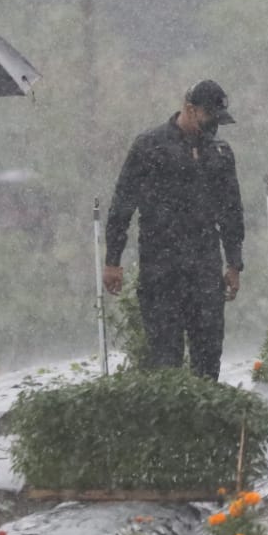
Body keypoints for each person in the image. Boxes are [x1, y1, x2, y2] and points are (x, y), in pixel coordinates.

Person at [103, 80, 245, 380]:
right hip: (161, 266)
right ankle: (172, 421)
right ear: (190, 110)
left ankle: (206, 420)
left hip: (205, 266)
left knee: (208, 352)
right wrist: (113, 260)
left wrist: (234, 263)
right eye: (209, 118)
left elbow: (231, 211)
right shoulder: (150, 147)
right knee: (165, 357)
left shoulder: (219, 153)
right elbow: (122, 205)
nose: (213, 127)